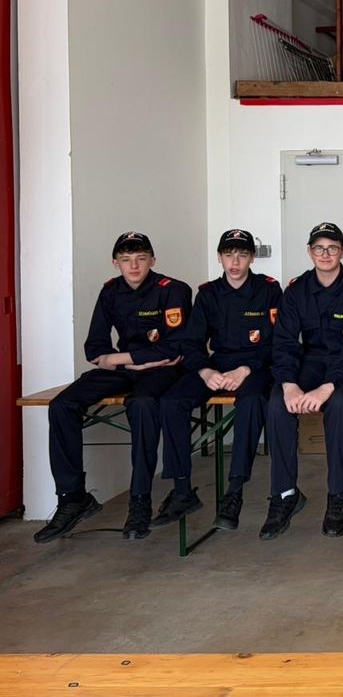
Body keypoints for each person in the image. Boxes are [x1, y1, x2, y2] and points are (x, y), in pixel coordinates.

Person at [34, 232, 192, 543]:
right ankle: (73, 497)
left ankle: (140, 500)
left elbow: (176, 348)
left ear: (152, 260)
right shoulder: (110, 292)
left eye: (141, 258)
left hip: (160, 371)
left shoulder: (173, 290)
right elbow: (94, 347)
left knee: (143, 405)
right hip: (127, 369)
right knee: (62, 405)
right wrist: (129, 361)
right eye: (126, 260)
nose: (133, 266)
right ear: (115, 263)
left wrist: (128, 358)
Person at [154, 229, 282, 531]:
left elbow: (277, 341)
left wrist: (246, 369)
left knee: (251, 402)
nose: (234, 262)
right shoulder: (209, 293)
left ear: (251, 257)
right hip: (218, 365)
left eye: (241, 255)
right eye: (228, 255)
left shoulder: (268, 290)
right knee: (172, 401)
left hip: (257, 366)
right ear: (219, 258)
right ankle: (183, 490)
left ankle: (234, 492)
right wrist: (206, 371)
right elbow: (191, 342)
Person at [260, 222, 343, 541]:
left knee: (339, 404)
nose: (325, 254)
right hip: (311, 361)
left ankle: (337, 497)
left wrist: (328, 387)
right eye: (319, 248)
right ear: (309, 251)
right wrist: (289, 383)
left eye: (332, 248)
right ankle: (284, 495)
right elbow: (284, 342)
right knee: (277, 403)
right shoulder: (297, 290)